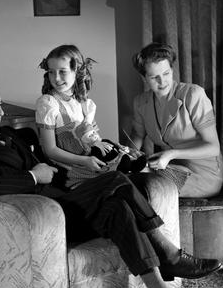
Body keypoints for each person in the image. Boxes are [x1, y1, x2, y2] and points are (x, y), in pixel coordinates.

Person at [0, 80, 222, 288]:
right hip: (38, 221)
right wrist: (33, 176)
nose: (1, 112)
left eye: (0, 104)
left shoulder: (8, 135)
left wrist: (90, 164)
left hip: (66, 204)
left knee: (119, 202)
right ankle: (169, 254)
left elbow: (49, 163)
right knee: (114, 182)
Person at [36, 44, 146, 189]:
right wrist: (84, 161)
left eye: (63, 72)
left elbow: (93, 140)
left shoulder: (81, 102)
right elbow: (49, 150)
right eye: (51, 72)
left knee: (136, 169)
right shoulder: (48, 103)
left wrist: (109, 146)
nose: (56, 78)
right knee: (121, 182)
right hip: (71, 166)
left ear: (77, 71)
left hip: (89, 157)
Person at [130, 42, 223, 197]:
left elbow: (213, 147)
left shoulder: (193, 95)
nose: (162, 82)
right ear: (144, 77)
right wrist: (128, 155)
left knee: (146, 187)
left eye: (166, 74)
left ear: (172, 70)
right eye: (154, 77)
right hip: (170, 168)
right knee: (128, 179)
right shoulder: (141, 102)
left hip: (203, 175)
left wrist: (171, 154)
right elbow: (137, 136)